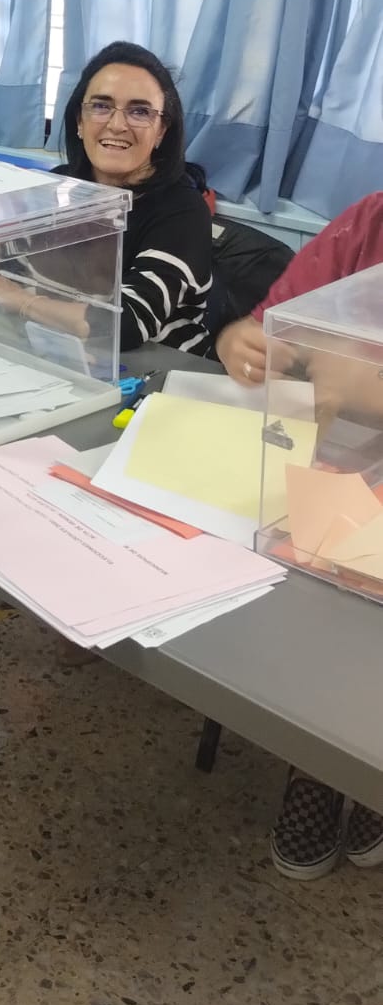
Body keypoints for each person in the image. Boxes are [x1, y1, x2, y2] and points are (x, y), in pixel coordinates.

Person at [212, 192, 383, 881]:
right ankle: (320, 767)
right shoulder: (371, 218)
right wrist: (244, 342)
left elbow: (354, 378)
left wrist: (365, 383)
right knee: (327, 597)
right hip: (348, 477)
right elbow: (278, 327)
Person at [54, 41, 213, 354]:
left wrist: (19, 301)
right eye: (101, 106)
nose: (117, 125)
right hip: (57, 352)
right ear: (79, 122)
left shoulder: (183, 211)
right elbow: (3, 267)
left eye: (139, 112)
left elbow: (121, 326)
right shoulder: (57, 185)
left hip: (155, 374)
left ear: (162, 131)